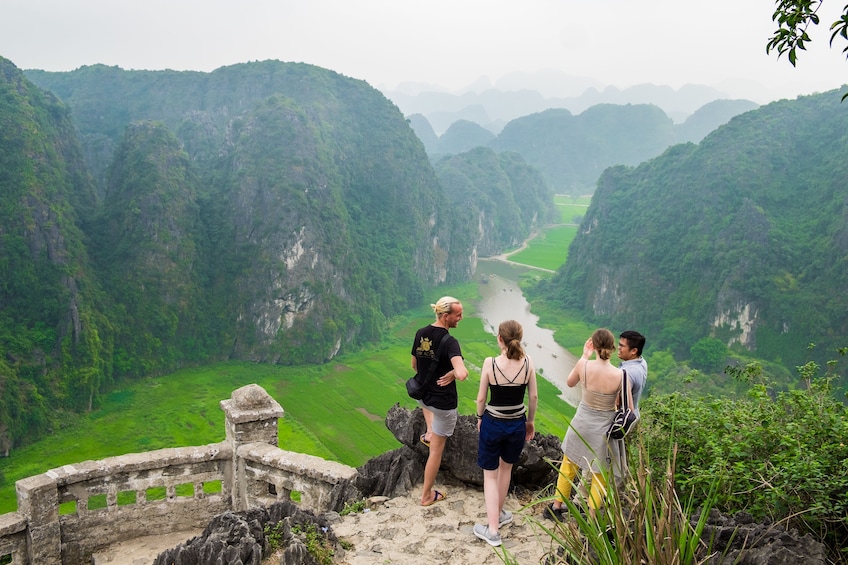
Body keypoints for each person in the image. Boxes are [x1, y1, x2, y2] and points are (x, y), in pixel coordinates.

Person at [546, 328, 632, 520]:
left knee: (569, 466)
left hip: (581, 423)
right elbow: (628, 408)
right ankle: (592, 517)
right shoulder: (621, 375)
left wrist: (584, 355)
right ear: (611, 347)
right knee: (599, 475)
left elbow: (569, 383)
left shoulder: (583, 365)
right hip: (603, 430)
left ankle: (557, 506)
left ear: (594, 344)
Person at [472, 320, 538, 547]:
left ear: (499, 339)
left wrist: (479, 418)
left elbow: (481, 398)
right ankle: (498, 515)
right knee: (506, 469)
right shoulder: (528, 362)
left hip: (493, 422)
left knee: (489, 475)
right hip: (516, 423)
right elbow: (533, 398)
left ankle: (492, 531)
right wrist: (530, 422)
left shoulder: (490, 363)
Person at [411, 296, 469, 507]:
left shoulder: (421, 333)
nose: (461, 318)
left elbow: (415, 365)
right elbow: (462, 374)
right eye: (458, 315)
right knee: (435, 451)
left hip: (423, 397)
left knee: (429, 410)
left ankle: (429, 431)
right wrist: (454, 372)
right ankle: (426, 495)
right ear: (445, 316)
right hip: (442, 404)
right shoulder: (450, 342)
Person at [618, 330, 647, 418]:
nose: (618, 347)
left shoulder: (627, 373)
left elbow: (619, 402)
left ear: (634, 351)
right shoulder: (642, 362)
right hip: (635, 413)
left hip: (624, 421)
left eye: (622, 346)